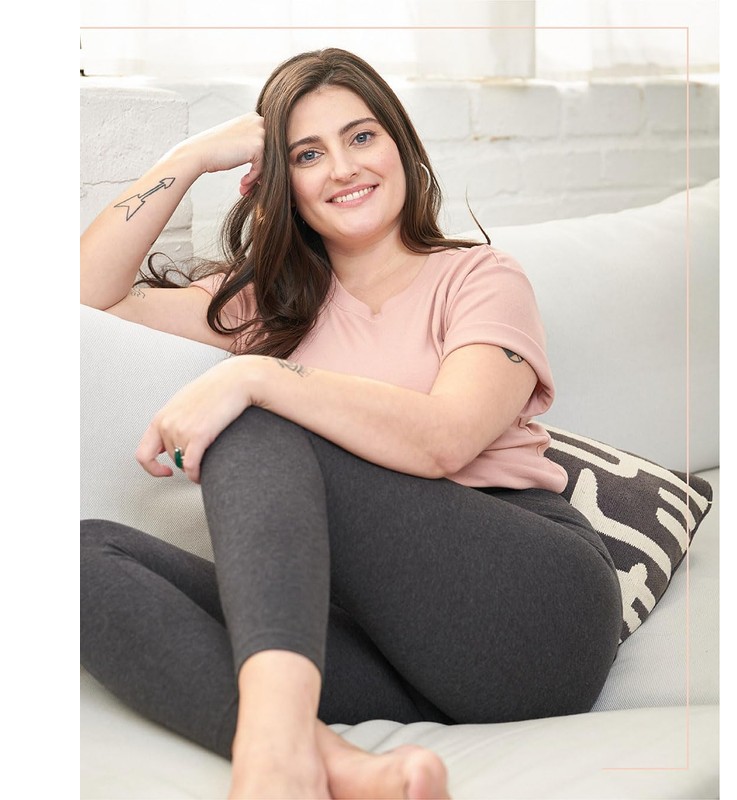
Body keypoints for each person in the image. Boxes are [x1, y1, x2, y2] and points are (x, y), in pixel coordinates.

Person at [80, 48, 623, 800]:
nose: (342, 168)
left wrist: (258, 376)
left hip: (530, 605)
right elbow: (84, 298)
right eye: (308, 154)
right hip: (386, 642)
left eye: (361, 136)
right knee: (71, 558)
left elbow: (447, 436)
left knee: (253, 419)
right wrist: (192, 155)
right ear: (281, 181)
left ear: (400, 145)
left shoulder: (479, 277)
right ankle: (331, 763)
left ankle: (271, 770)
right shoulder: (269, 308)